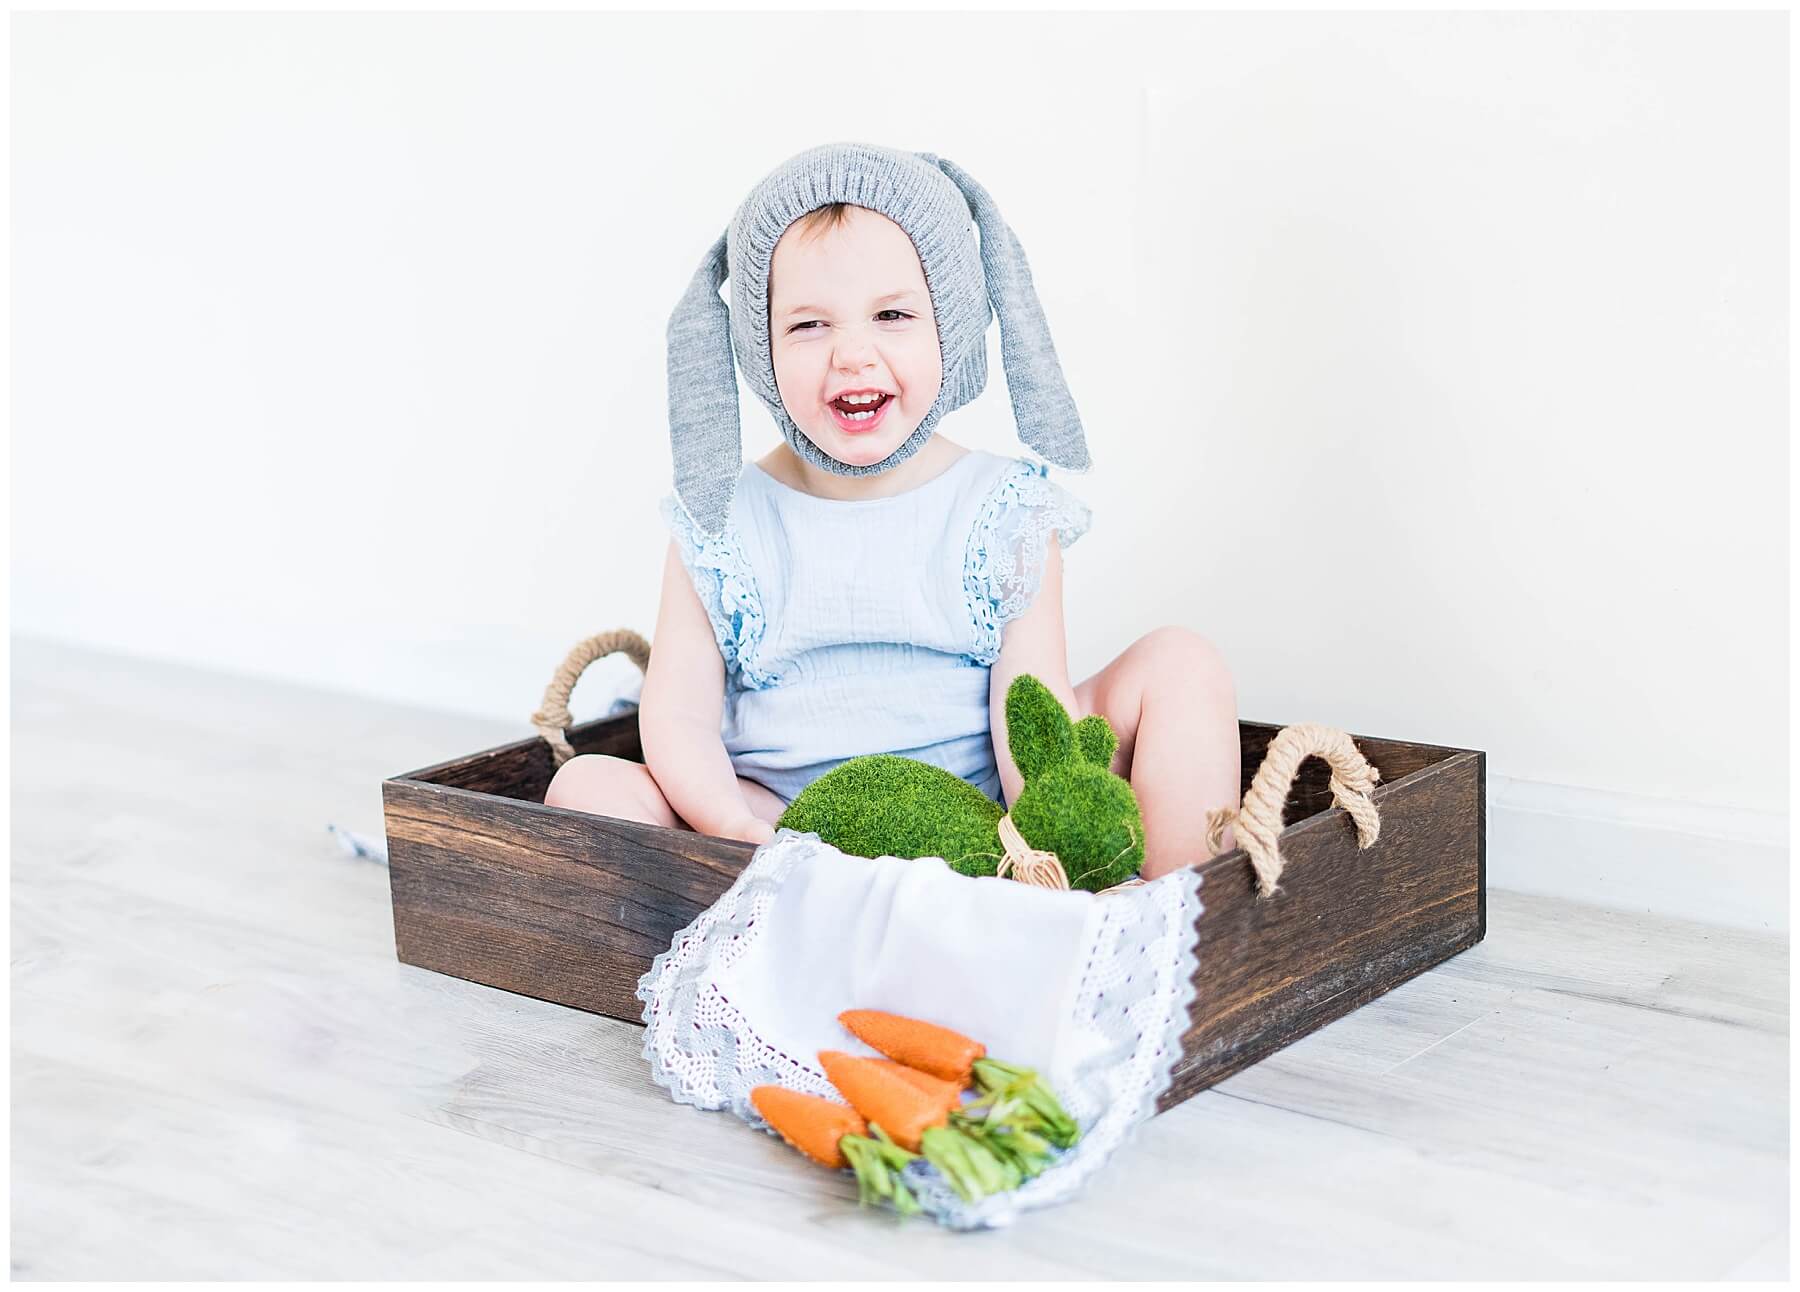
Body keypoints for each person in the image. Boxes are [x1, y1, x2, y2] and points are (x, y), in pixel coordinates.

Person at [546, 143, 1240, 879]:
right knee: (586, 786)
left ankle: (1175, 913)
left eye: (892, 314)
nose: (852, 354)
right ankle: (754, 900)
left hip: (982, 814)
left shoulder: (1002, 511)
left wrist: (1040, 841)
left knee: (1181, 663)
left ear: (951, 326)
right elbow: (679, 715)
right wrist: (729, 822)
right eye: (809, 325)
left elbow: (1026, 707)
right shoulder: (721, 523)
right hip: (780, 815)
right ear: (759, 347)